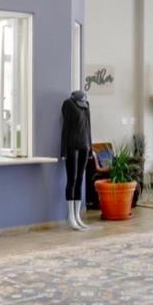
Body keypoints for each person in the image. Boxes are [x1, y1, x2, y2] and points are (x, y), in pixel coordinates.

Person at [61, 90, 92, 231]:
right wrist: (63, 151)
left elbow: (88, 127)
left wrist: (90, 147)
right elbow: (65, 128)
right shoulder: (68, 104)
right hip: (71, 146)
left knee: (80, 179)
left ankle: (78, 216)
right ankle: (71, 217)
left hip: (85, 145)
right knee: (71, 179)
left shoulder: (86, 105)